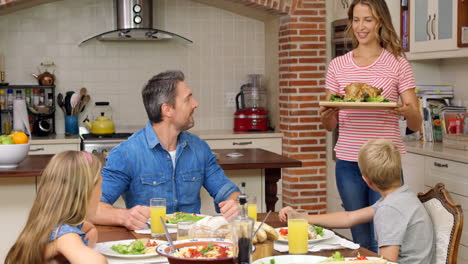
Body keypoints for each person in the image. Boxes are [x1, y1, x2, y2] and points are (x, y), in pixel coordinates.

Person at [319, 0, 422, 252]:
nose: (361, 27)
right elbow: (329, 125)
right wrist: (327, 113)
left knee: (384, 236)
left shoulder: (398, 63)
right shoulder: (338, 65)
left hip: (385, 162)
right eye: (356, 19)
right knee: (360, 238)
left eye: (368, 19)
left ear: (380, 22)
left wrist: (407, 110)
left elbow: (416, 123)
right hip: (348, 162)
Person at [89, 70, 240, 231]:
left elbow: (228, 192)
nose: (195, 104)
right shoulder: (127, 154)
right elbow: (92, 209)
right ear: (167, 109)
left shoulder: (199, 148)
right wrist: (125, 216)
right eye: (188, 98)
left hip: (193, 246)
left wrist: (234, 203)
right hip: (149, 246)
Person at [280, 139, 434, 264]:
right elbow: (349, 218)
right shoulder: (402, 196)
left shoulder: (390, 209)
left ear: (367, 181)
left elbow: (388, 261)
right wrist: (301, 217)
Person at [5, 151, 106, 264]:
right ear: (87, 192)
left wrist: (90, 234)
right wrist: (63, 244)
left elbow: (87, 227)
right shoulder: (65, 237)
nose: (101, 194)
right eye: (100, 186)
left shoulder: (49, 223)